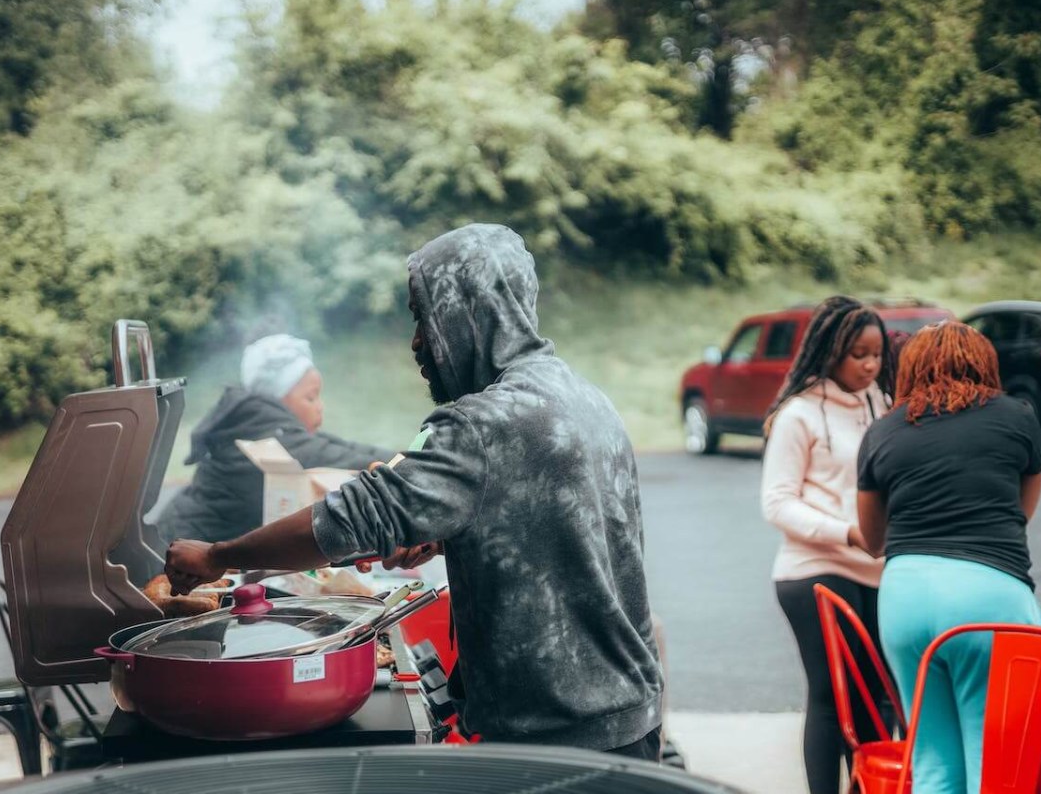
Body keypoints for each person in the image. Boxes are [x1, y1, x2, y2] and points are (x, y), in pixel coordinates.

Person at [164, 224, 665, 758]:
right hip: (629, 719)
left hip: (555, 739)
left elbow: (353, 517)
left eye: (423, 316)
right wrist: (451, 535)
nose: (417, 341)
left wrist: (219, 554)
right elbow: (559, 524)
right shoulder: (584, 398)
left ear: (470, 310)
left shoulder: (483, 425)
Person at [853, 321, 1041, 794]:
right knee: (995, 763)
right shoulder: (1017, 416)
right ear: (985, 363)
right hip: (990, 599)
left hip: (906, 600)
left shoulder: (883, 430)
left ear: (910, 368)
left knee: (934, 761)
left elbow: (874, 540)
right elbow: (1021, 513)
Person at [761, 295, 895, 794]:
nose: (870, 364)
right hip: (812, 569)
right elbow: (777, 504)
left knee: (876, 699)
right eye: (858, 353)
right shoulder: (799, 414)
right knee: (831, 696)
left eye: (877, 354)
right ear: (830, 350)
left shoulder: (881, 404)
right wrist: (847, 533)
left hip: (875, 571)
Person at [155, 334, 393, 545]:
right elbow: (345, 457)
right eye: (311, 398)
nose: (321, 407)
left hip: (179, 541)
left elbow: (338, 446)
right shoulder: (268, 443)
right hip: (177, 562)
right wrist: (417, 462)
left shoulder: (257, 424)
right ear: (277, 397)